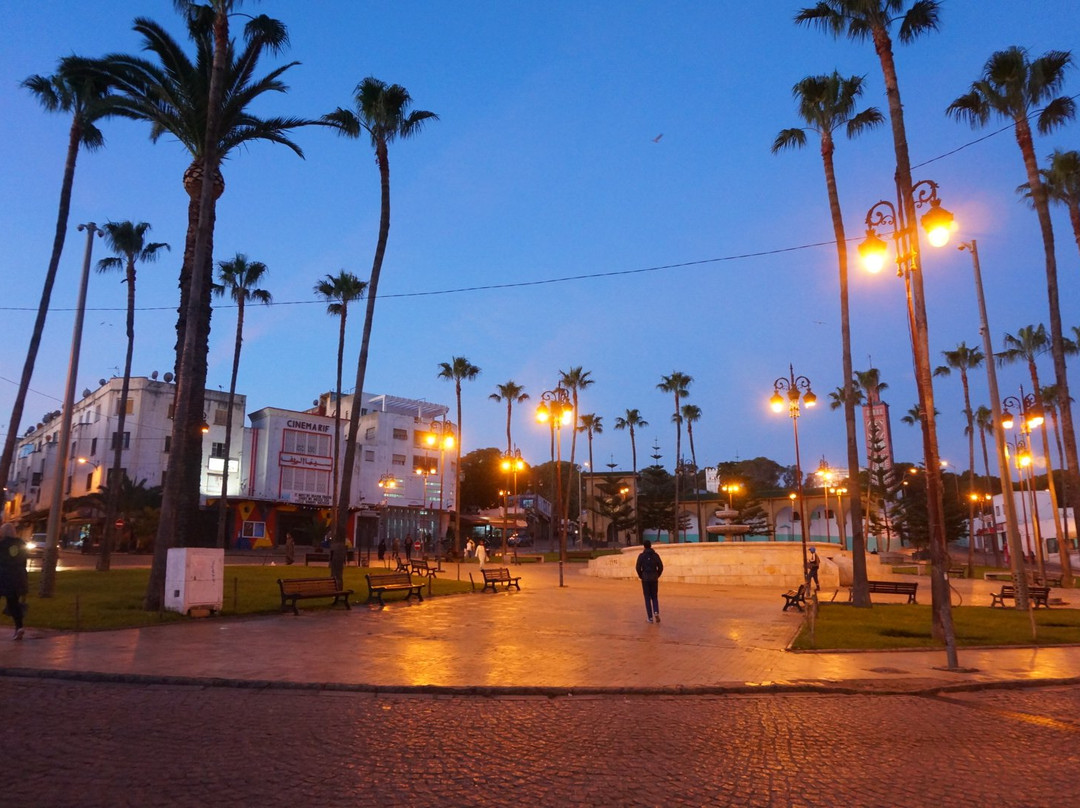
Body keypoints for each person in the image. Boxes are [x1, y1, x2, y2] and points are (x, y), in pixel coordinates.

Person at [0, 523, 28, 640]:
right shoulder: (21, 544)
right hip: (17, 577)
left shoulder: (1, 544)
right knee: (13, 603)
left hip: (3, 576)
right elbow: (24, 561)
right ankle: (19, 627)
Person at [635, 539, 663, 623]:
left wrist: (641, 575)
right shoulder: (655, 555)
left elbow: (637, 567)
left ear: (644, 546)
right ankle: (656, 611)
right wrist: (657, 574)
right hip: (654, 577)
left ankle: (650, 618)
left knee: (647, 598)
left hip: (645, 578)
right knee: (654, 596)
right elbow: (661, 566)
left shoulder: (641, 556)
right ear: (651, 545)